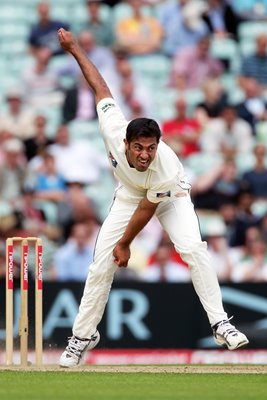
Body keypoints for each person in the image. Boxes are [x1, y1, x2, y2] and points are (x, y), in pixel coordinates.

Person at [57, 28, 249, 368]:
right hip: (129, 195)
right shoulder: (114, 129)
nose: (145, 154)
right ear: (127, 143)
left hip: (170, 196)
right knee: (100, 265)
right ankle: (82, 337)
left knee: (192, 248)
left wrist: (126, 244)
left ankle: (220, 323)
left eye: (151, 147)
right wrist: (73, 48)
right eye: (139, 148)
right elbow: (100, 86)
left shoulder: (164, 166)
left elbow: (151, 206)